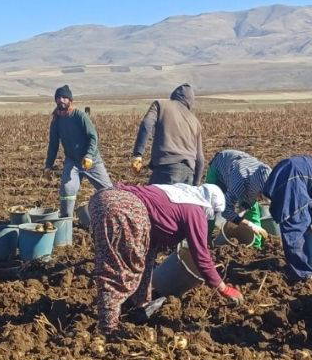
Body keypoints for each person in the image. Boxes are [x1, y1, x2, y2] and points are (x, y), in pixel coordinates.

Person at [86, 182, 241, 337]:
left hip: (102, 199)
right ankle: (109, 330)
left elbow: (149, 252)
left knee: (129, 259)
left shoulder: (178, 192)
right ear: (210, 206)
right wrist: (223, 288)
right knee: (119, 269)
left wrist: (143, 301)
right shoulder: (196, 210)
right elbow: (201, 255)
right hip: (126, 209)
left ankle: (139, 304)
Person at [45, 85, 112, 218]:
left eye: (64, 97)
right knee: (67, 190)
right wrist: (48, 165)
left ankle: (113, 216)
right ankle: (66, 221)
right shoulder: (56, 121)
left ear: (70, 100)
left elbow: (93, 136)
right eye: (58, 98)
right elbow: (53, 144)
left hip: (91, 160)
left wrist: (89, 156)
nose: (61, 100)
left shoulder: (80, 116)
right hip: (73, 161)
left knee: (108, 191)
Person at [131, 83, 205, 186]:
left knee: (154, 202)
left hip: (165, 171)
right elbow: (200, 159)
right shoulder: (195, 122)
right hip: (188, 174)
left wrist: (138, 154)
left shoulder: (160, 104)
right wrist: (196, 186)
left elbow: (146, 124)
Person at [206, 149, 272, 248]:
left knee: (252, 210)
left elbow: (249, 206)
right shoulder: (239, 183)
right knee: (211, 207)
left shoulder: (265, 176)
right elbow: (226, 210)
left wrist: (241, 214)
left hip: (242, 169)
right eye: (260, 196)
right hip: (219, 168)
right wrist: (248, 224)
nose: (260, 199)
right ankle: (205, 240)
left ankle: (256, 247)